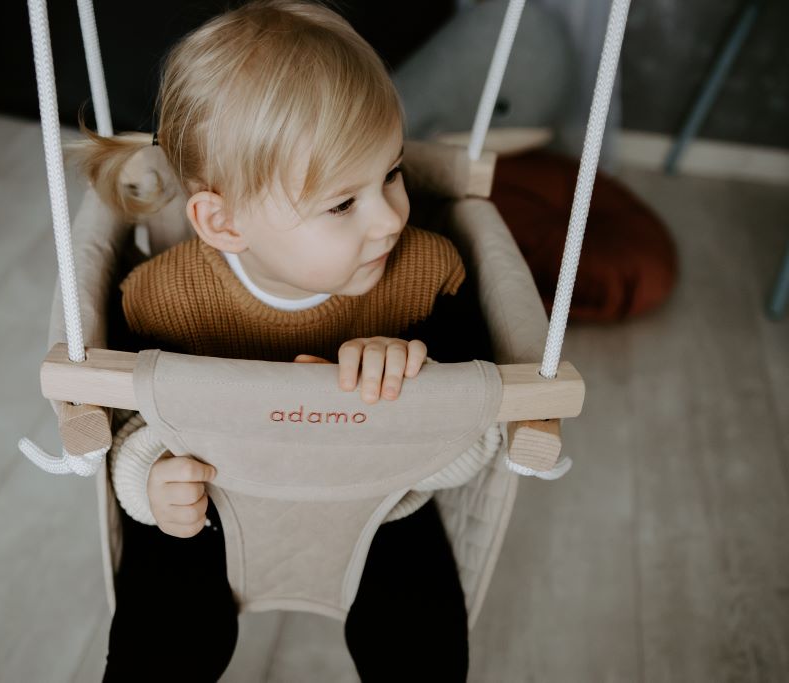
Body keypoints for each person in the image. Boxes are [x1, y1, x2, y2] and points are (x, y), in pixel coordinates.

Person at [71, 2, 495, 679]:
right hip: (213, 501)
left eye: (392, 173)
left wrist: (412, 382)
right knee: (163, 631)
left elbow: (475, 442)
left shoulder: (427, 275)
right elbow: (124, 427)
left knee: (422, 642)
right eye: (342, 203)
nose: (389, 218)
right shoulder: (162, 299)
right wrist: (147, 478)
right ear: (225, 223)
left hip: (376, 496)